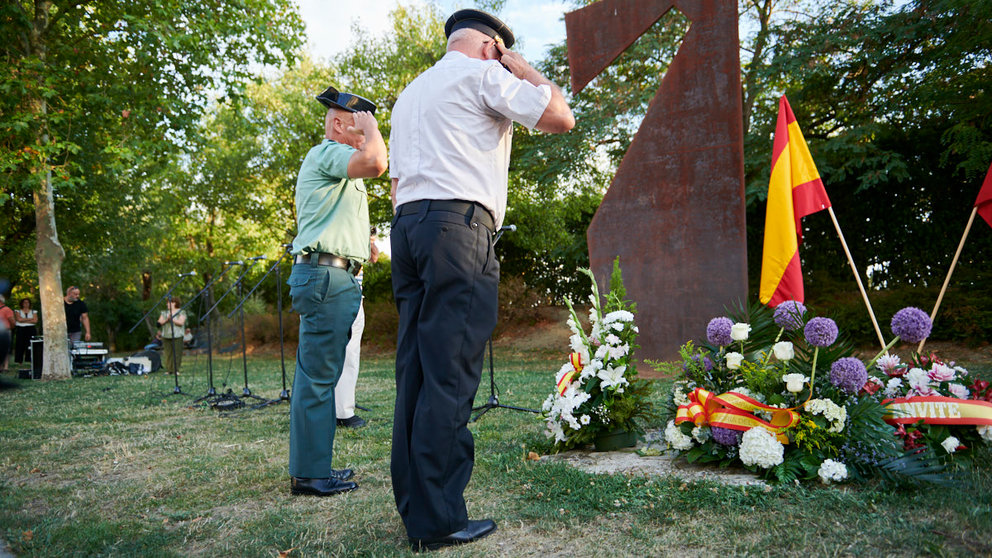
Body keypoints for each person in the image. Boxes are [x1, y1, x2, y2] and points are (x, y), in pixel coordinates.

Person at [388, 8, 574, 552]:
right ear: (492, 45)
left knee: (415, 371)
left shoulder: (411, 93)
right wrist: (523, 67)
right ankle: (440, 519)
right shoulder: (486, 74)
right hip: (458, 228)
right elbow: (561, 116)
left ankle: (416, 510)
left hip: (407, 228)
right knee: (450, 371)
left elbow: (398, 181)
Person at [286, 85, 386, 498]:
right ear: (342, 125)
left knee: (322, 376)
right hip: (327, 278)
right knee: (317, 378)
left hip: (335, 276)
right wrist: (374, 129)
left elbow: (337, 218)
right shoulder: (328, 151)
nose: (364, 135)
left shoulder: (336, 163)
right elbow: (377, 162)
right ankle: (310, 475)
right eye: (359, 127)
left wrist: (365, 245)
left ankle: (316, 466)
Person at [335, 232, 379, 429]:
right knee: (347, 354)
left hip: (343, 288)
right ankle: (341, 411)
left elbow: (372, 254)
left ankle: (334, 410)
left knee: (342, 354)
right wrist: (367, 241)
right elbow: (373, 255)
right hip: (342, 289)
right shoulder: (351, 213)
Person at [156, 297, 187, 375]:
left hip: (177, 335)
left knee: (177, 353)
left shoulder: (181, 312)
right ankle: (169, 370)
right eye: (167, 303)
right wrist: (166, 320)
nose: (167, 304)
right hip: (166, 335)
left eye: (169, 302)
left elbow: (181, 322)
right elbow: (158, 323)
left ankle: (176, 370)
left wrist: (172, 319)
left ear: (174, 303)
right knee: (168, 353)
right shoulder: (164, 313)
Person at [14, 298, 38, 365]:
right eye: (24, 302)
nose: (26, 304)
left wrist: (24, 319)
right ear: (22, 303)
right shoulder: (18, 311)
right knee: (20, 344)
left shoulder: (33, 311)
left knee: (30, 344)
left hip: (31, 329)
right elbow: (19, 319)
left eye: (27, 302)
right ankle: (19, 360)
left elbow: (35, 320)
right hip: (21, 329)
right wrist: (30, 319)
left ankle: (30, 359)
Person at [0, 295, 14, 373]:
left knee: (5, 349)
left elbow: (12, 321)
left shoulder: (7, 309)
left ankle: (6, 367)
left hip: (5, 331)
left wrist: (9, 328)